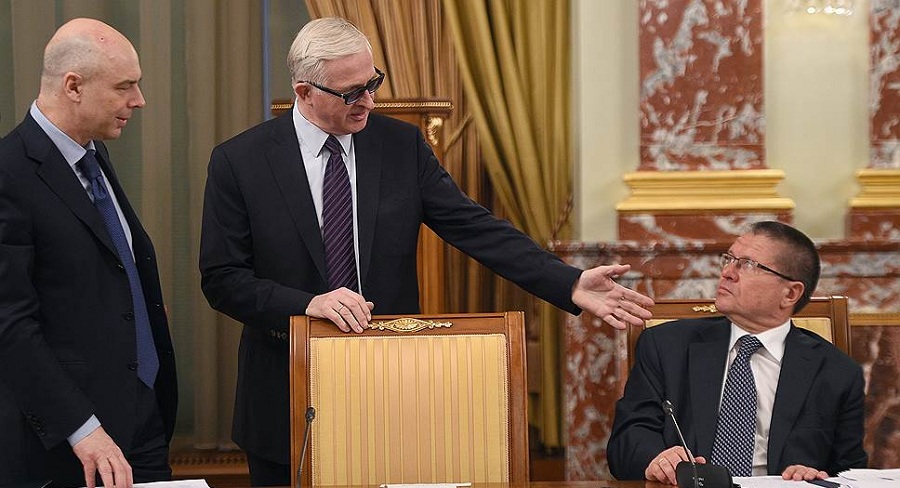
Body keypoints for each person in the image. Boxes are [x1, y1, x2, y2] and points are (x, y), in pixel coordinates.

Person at [199, 17, 654, 486]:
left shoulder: (399, 144)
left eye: (373, 82)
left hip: (391, 383)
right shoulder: (240, 161)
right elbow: (223, 279)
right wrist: (307, 305)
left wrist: (569, 281)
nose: (369, 101)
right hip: (284, 389)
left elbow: (474, 227)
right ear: (305, 91)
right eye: (352, 93)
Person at [0, 18, 177, 488]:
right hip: (68, 442)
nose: (139, 100)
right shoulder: (8, 173)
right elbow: (10, 323)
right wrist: (82, 429)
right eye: (124, 87)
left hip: (142, 418)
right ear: (73, 86)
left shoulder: (93, 155)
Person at [607, 221, 867, 484]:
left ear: (790, 293)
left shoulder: (837, 372)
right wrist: (656, 459)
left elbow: (850, 473)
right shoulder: (667, 346)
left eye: (748, 264)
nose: (727, 273)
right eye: (729, 259)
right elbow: (628, 439)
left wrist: (815, 476)